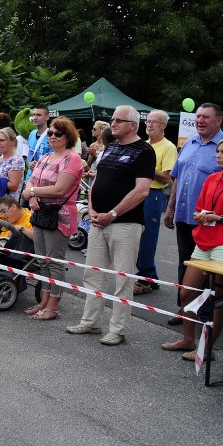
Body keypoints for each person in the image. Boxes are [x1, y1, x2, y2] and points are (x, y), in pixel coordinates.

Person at [65, 106, 155, 345]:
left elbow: (142, 190)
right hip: (98, 221)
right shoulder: (112, 146)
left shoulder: (144, 151)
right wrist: (93, 209)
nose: (112, 124)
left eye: (118, 120)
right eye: (112, 119)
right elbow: (97, 180)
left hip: (125, 223)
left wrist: (113, 214)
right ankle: (90, 322)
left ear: (133, 125)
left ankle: (117, 329)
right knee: (92, 273)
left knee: (123, 278)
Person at [161, 133, 223, 359]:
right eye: (217, 152)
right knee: (187, 292)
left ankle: (206, 349)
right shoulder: (212, 178)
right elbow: (199, 207)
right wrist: (202, 215)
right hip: (204, 241)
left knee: (217, 298)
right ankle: (188, 339)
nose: (218, 156)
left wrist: (217, 218)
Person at [163, 102, 223, 324]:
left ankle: (205, 317)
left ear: (219, 120)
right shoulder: (189, 142)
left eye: (206, 117)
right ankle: (185, 311)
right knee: (185, 263)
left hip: (209, 221)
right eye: (198, 116)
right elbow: (177, 179)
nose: (200, 120)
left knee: (205, 270)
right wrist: (170, 208)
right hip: (184, 216)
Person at [21, 117, 83, 320]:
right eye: (50, 133)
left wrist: (32, 191)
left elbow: (60, 189)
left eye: (58, 133)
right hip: (40, 213)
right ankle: (43, 301)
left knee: (54, 261)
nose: (52, 137)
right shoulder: (45, 157)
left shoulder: (72, 158)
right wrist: (32, 196)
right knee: (42, 260)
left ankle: (53, 305)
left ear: (68, 137)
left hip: (59, 216)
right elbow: (29, 182)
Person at [133, 110, 178, 295]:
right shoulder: (142, 144)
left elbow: (167, 177)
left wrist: (146, 167)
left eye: (154, 122)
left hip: (153, 193)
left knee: (147, 237)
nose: (149, 125)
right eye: (148, 121)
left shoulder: (168, 147)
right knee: (136, 235)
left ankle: (145, 278)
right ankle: (150, 275)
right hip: (136, 191)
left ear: (163, 126)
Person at [26, 104, 52, 181]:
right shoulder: (32, 134)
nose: (35, 118)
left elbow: (55, 158)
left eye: (39, 115)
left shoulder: (52, 135)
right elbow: (30, 154)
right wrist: (30, 163)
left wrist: (39, 166)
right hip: (30, 177)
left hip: (44, 179)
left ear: (47, 117)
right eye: (34, 115)